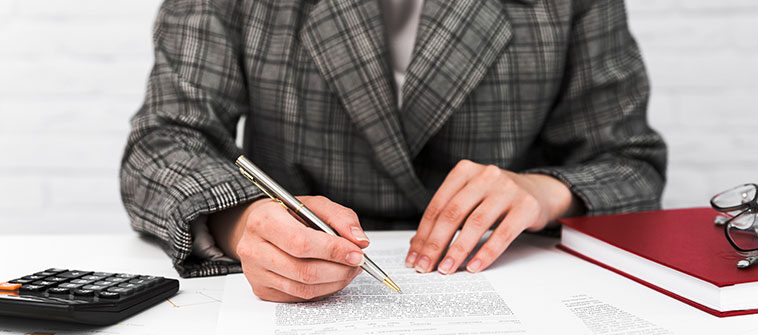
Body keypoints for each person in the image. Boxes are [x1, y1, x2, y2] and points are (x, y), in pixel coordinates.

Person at [120, 0, 667, 302]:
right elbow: (162, 144)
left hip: (506, 279)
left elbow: (629, 162)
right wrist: (246, 222)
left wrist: (543, 192)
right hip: (288, 306)